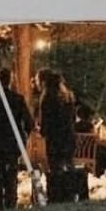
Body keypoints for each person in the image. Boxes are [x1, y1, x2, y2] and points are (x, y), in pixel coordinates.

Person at [0, 69, 32, 211]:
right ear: (10, 80)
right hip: (11, 143)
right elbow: (29, 122)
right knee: (10, 175)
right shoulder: (18, 99)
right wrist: (24, 136)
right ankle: (11, 203)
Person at [39, 70, 77, 201]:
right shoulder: (69, 98)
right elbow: (73, 118)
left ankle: (57, 194)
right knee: (69, 164)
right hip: (69, 136)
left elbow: (45, 121)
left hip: (54, 138)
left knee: (55, 167)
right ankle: (72, 192)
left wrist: (42, 132)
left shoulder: (47, 99)